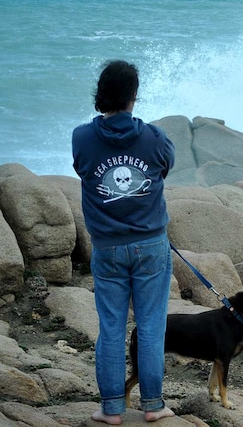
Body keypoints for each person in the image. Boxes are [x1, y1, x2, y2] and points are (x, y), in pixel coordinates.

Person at [72, 60, 176, 424]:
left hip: (107, 248)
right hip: (150, 245)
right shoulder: (155, 137)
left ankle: (111, 408)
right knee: (150, 326)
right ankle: (153, 406)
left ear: (101, 94)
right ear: (134, 96)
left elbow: (84, 168)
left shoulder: (81, 137)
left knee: (112, 328)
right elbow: (165, 167)